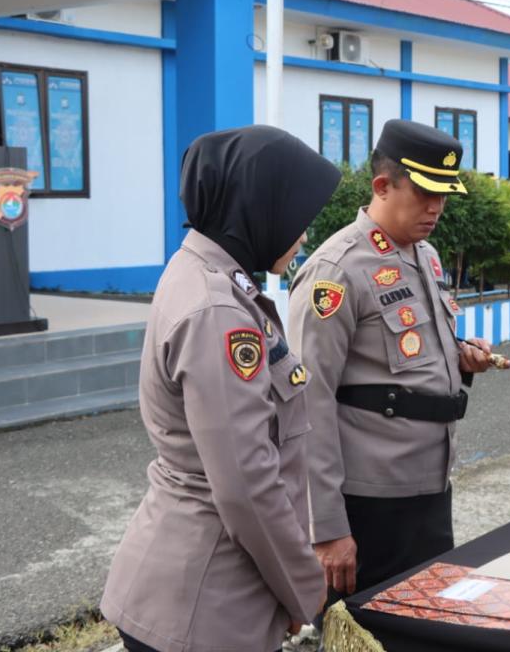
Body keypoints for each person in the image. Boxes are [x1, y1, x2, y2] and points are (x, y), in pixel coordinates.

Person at [101, 126, 340, 652]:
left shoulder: (205, 273)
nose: (304, 235)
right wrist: (305, 586)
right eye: (298, 216)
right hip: (204, 602)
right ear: (259, 205)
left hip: (199, 588)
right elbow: (246, 484)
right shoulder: (218, 311)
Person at [288, 120, 501, 606]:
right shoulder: (336, 270)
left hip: (429, 484)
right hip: (369, 501)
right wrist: (326, 527)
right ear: (382, 186)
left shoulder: (423, 254)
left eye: (444, 195)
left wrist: (462, 357)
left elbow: (406, 354)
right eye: (425, 193)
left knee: (427, 623)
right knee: (366, 633)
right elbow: (307, 403)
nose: (437, 208)